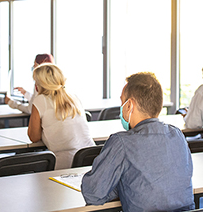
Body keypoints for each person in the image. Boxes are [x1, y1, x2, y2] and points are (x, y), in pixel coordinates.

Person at [82, 72, 194, 211]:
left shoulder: (121, 143)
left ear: (129, 105)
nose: (121, 107)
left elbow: (93, 194)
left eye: (122, 102)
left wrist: (120, 183)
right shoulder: (177, 135)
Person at [27, 63, 95, 169]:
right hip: (90, 158)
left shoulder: (40, 100)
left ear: (38, 85)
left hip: (65, 164)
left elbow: (34, 137)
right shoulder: (73, 97)